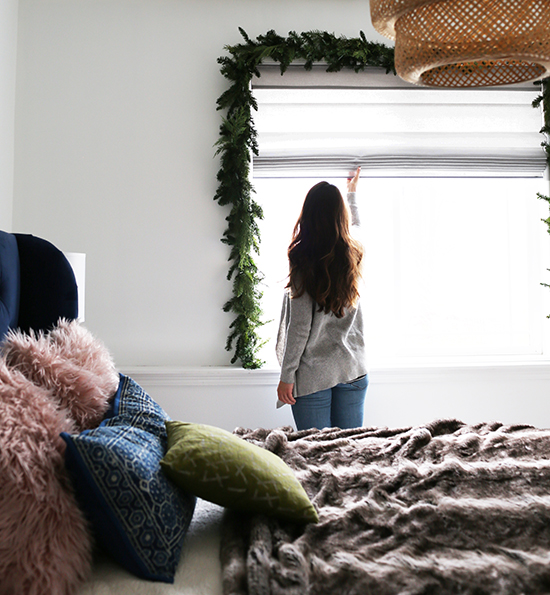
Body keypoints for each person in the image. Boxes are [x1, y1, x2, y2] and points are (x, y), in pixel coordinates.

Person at [275, 167, 368, 431]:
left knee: (317, 456)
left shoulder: (303, 260)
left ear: (308, 215)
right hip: (353, 369)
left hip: (314, 373)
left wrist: (286, 376)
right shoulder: (355, 252)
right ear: (341, 217)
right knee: (351, 453)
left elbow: (300, 326)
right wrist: (352, 196)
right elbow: (357, 226)